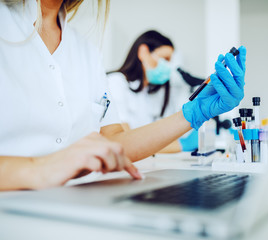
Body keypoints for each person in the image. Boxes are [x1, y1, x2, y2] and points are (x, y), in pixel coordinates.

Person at [0, 0, 247, 191]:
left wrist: (193, 114)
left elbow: (115, 144)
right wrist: (39, 168)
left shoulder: (86, 52)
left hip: (81, 201)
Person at [107, 30, 197, 153]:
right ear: (143, 52)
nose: (168, 66)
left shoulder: (151, 92)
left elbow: (158, 136)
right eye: (164, 59)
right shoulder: (116, 83)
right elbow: (125, 142)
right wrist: (182, 145)